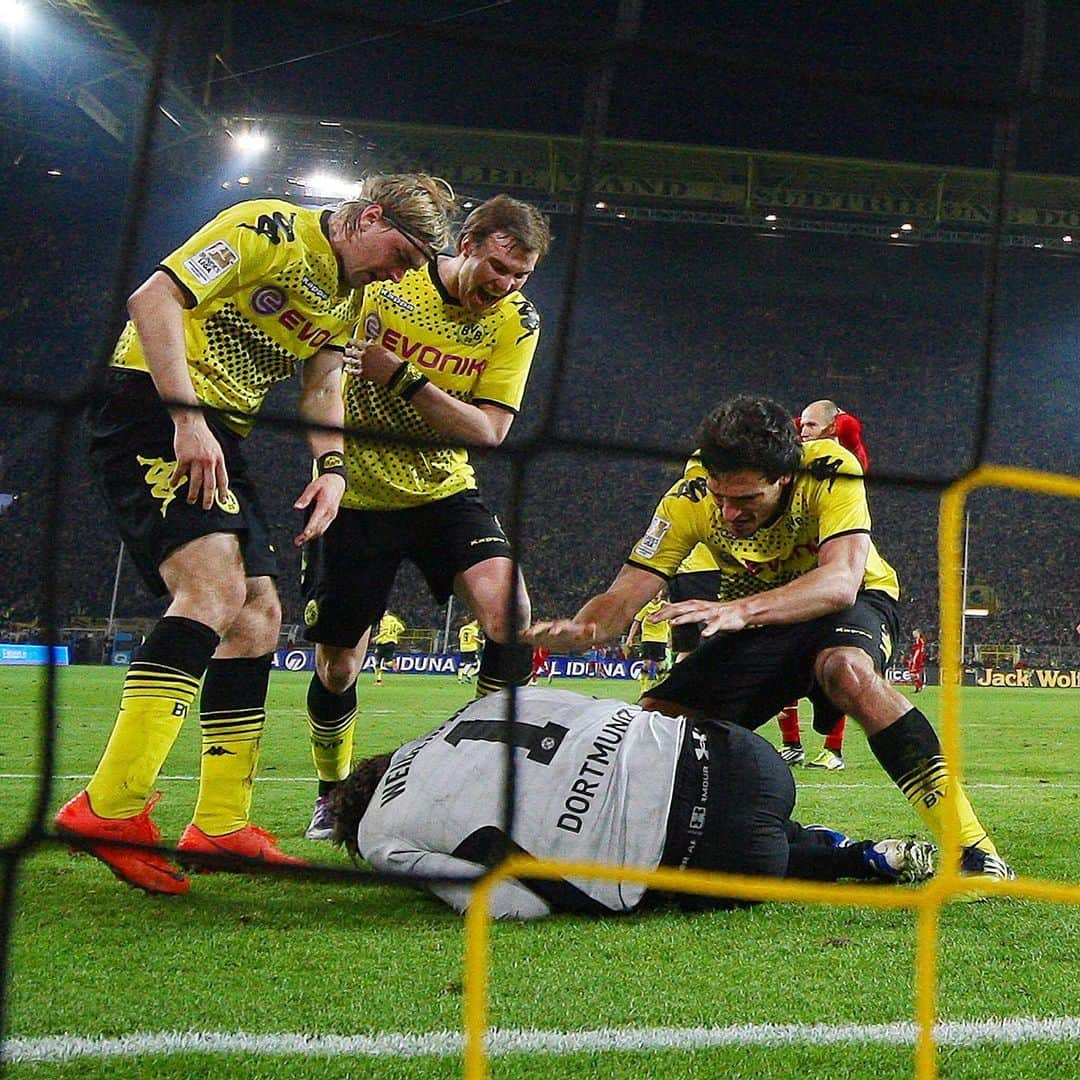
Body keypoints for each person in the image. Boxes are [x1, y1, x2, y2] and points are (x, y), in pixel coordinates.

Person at [53, 176, 457, 895]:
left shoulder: (352, 296)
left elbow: (323, 385)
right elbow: (153, 299)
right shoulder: (266, 228)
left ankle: (221, 823)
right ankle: (108, 808)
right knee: (211, 589)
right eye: (400, 253)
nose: (399, 273)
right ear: (369, 217)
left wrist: (332, 467)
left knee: (259, 615)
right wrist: (183, 417)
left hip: (220, 431)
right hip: (153, 404)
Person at [528, 395, 1012, 886]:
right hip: (761, 621)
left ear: (784, 476)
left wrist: (738, 609)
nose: (729, 513)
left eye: (745, 499)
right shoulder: (689, 496)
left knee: (847, 670)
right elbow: (626, 589)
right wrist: (586, 629)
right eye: (721, 497)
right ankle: (812, 847)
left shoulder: (828, 469)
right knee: (654, 730)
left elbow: (840, 580)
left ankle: (974, 853)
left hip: (852, 601)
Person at [301, 195, 551, 841]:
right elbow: (324, 364)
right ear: (466, 244)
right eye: (497, 267)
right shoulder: (391, 275)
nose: (505, 286)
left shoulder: (518, 321)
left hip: (443, 491)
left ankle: (486, 775)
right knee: (336, 666)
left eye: (520, 275)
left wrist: (404, 378)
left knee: (512, 614)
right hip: (357, 495)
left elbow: (490, 429)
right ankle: (332, 796)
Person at [327, 688, 936, 919]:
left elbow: (511, 905)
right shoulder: (479, 708)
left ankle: (844, 854)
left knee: (714, 851)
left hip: (724, 854)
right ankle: (853, 850)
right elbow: (595, 708)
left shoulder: (383, 832)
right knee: (740, 820)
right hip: (747, 759)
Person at [774, 399, 872, 771]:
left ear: (833, 429)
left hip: (832, 577)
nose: (803, 432)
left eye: (812, 426)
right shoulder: (795, 465)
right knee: (784, 666)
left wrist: (841, 425)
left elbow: (853, 439)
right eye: (802, 426)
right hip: (795, 574)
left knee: (834, 667)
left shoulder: (842, 464)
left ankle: (832, 751)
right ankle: (792, 745)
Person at [624, 588, 671, 695]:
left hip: (661, 639)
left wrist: (670, 638)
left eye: (658, 592)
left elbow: (670, 623)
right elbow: (636, 622)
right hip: (647, 638)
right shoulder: (646, 607)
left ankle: (660, 685)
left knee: (660, 665)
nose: (656, 594)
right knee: (647, 663)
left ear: (661, 593)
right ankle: (643, 686)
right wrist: (630, 638)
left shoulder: (665, 606)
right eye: (654, 592)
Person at [372, 611, 405, 686]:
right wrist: (394, 634)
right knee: (387, 663)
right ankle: (392, 663)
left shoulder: (384, 619)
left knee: (377, 663)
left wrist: (375, 638)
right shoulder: (394, 619)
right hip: (392, 642)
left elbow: (385, 631)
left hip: (382, 643)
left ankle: (378, 681)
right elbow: (402, 629)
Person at [458, 618, 484, 684]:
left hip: (463, 647)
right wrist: (481, 642)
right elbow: (474, 637)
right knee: (475, 664)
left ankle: (460, 678)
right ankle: (468, 675)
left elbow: (460, 637)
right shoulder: (474, 629)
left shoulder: (463, 628)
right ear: (472, 621)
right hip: (471, 648)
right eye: (476, 621)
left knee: (463, 663)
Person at [907, 628, 927, 693]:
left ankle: (920, 685)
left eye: (914, 633)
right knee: (915, 674)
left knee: (913, 674)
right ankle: (918, 687)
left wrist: (914, 659)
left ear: (918, 634)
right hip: (918, 659)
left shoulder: (919, 641)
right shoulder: (918, 641)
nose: (913, 635)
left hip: (917, 659)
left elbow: (918, 650)